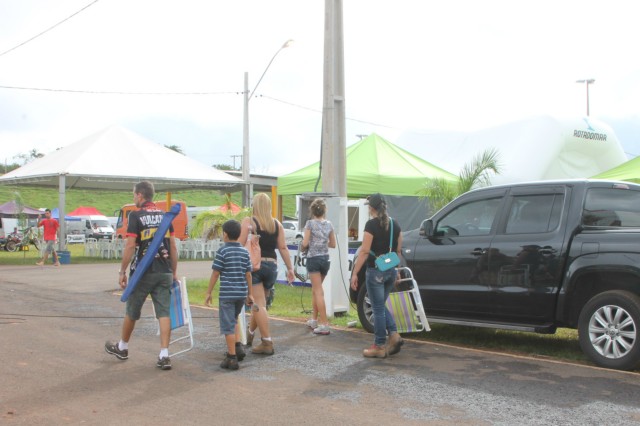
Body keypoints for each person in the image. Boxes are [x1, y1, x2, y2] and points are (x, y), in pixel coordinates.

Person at [105, 181, 178, 370]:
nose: (133, 198)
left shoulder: (136, 216)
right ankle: (164, 354)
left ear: (139, 195)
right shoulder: (165, 216)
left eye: (133, 194)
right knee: (163, 312)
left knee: (132, 310)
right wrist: (174, 272)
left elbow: (130, 246)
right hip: (164, 270)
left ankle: (123, 347)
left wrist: (122, 271)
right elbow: (173, 246)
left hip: (143, 271)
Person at [239, 193, 295, 355]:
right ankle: (249, 334)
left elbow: (240, 244)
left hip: (255, 266)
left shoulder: (249, 222)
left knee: (258, 305)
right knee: (260, 304)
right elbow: (283, 248)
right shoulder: (277, 224)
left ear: (254, 205)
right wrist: (290, 269)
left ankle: (267, 341)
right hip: (272, 266)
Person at [349, 193, 404, 358]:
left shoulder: (371, 225)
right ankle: (393, 335)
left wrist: (355, 273)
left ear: (371, 208)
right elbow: (398, 251)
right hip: (390, 270)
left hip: (375, 271)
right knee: (380, 305)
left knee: (378, 308)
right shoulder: (395, 225)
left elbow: (365, 251)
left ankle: (379, 345)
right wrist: (398, 271)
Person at [205, 220, 254, 370]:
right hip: (240, 293)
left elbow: (215, 273)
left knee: (228, 326)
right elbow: (249, 274)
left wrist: (209, 292)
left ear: (225, 235)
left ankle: (232, 357)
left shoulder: (223, 251)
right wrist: (250, 294)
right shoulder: (245, 251)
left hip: (227, 294)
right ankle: (238, 347)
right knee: (233, 320)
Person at [300, 198, 336, 335]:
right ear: (324, 211)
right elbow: (333, 244)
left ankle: (325, 324)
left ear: (312, 211)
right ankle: (314, 319)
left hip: (313, 259)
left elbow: (304, 243)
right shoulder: (329, 224)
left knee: (318, 291)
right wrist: (322, 243)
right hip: (325, 259)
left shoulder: (309, 224)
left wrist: (308, 245)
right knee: (316, 290)